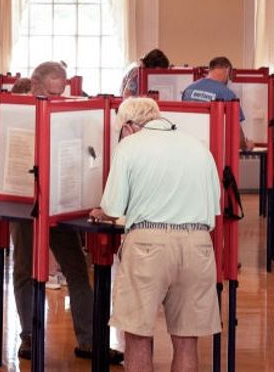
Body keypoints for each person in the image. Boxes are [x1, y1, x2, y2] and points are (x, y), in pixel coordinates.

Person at [90, 97, 221, 372]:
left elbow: (113, 207)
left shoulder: (129, 146)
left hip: (148, 245)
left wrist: (102, 211)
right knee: (187, 341)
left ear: (128, 126)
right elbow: (214, 205)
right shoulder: (198, 146)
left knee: (137, 336)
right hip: (199, 245)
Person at [9, 62, 121, 363]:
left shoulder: (69, 112)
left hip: (60, 203)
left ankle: (88, 340)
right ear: (35, 85)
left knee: (77, 270)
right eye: (50, 91)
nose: (56, 97)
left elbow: (84, 151)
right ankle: (29, 337)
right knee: (24, 270)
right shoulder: (17, 110)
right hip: (26, 204)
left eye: (60, 91)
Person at [181, 56, 251, 150]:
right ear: (227, 70)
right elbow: (238, 140)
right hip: (214, 151)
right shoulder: (228, 95)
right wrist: (247, 145)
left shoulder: (188, 89)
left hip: (189, 147)